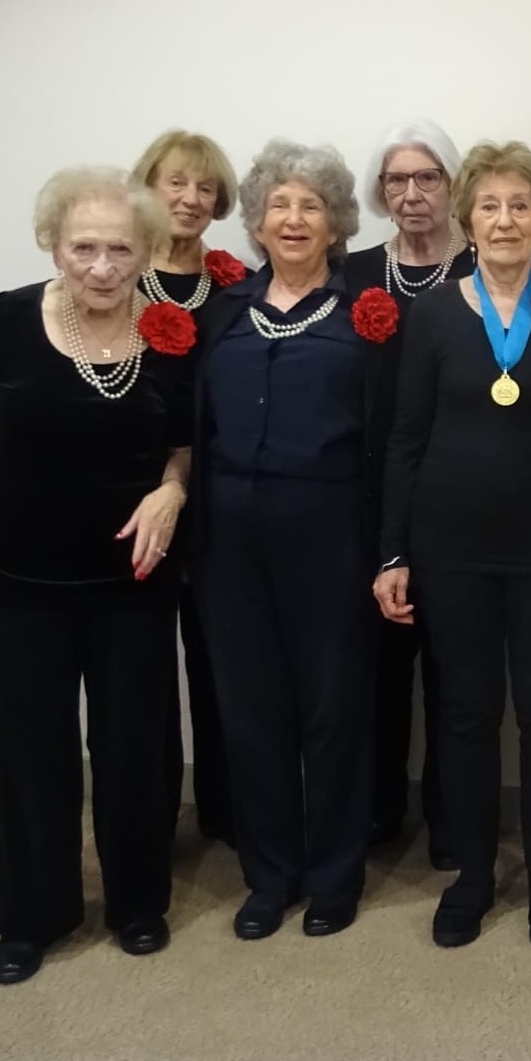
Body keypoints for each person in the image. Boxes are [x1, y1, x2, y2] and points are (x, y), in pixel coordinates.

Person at [0, 167, 191, 984]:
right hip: (22, 579)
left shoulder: (171, 332)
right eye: (84, 247)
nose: (102, 266)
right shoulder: (4, 321)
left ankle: (137, 903)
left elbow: (182, 446)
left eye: (121, 248)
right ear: (54, 243)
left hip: (132, 580)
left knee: (131, 750)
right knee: (31, 752)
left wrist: (171, 490)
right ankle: (32, 916)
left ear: (146, 250)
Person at [375, 141, 531, 951]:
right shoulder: (438, 311)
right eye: (489, 205)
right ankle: (474, 876)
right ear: (466, 219)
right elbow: (406, 437)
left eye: (520, 204)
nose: (505, 219)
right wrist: (392, 552)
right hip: (452, 550)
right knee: (467, 716)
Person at [192, 140, 382, 941]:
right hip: (228, 543)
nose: (294, 218)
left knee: (333, 712)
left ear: (336, 222)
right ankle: (269, 877)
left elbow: (388, 439)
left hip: (331, 540)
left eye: (311, 205)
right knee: (252, 711)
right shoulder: (222, 316)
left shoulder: (369, 320)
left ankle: (335, 874)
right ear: (258, 222)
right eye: (280, 205)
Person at [346, 120, 473, 866]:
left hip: (458, 490)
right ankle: (376, 814)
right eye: (396, 180)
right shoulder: (354, 272)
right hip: (369, 493)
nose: (412, 192)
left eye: (426, 177)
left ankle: (454, 823)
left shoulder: (491, 265)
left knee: (456, 670)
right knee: (378, 667)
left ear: (452, 185)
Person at [130, 129, 243, 847]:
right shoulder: (112, 273)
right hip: (128, 494)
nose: (190, 199)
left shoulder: (235, 284)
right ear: (149, 186)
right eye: (176, 182)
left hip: (216, 493)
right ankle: (147, 820)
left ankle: (227, 811)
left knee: (219, 659)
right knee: (139, 669)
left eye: (204, 188)